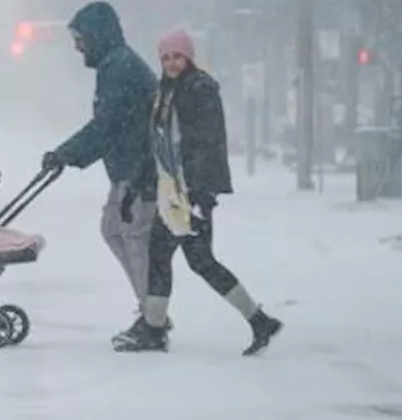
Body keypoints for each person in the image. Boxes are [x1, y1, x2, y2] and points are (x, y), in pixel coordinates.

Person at [113, 28, 283, 356]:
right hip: (172, 192)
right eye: (165, 58)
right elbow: (157, 147)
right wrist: (135, 188)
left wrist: (203, 194)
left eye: (177, 56)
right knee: (173, 257)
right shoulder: (166, 93)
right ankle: (159, 327)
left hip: (190, 193)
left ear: (188, 57)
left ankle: (157, 329)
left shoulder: (199, 90)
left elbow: (208, 144)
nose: (172, 63)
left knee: (192, 260)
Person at [41, 1, 161, 345]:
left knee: (135, 238)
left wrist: (65, 154)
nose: (77, 46)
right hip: (128, 167)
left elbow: (107, 125)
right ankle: (150, 310)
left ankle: (153, 320)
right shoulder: (114, 64)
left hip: (140, 169)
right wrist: (68, 155)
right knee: (114, 230)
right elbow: (109, 127)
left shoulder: (120, 68)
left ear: (96, 36)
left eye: (80, 39)